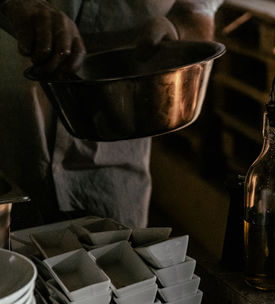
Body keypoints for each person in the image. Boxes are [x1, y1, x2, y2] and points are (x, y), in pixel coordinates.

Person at [0, 0, 224, 228]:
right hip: (10, 160)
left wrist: (178, 29)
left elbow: (198, 11)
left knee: (119, 259)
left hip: (112, 175)